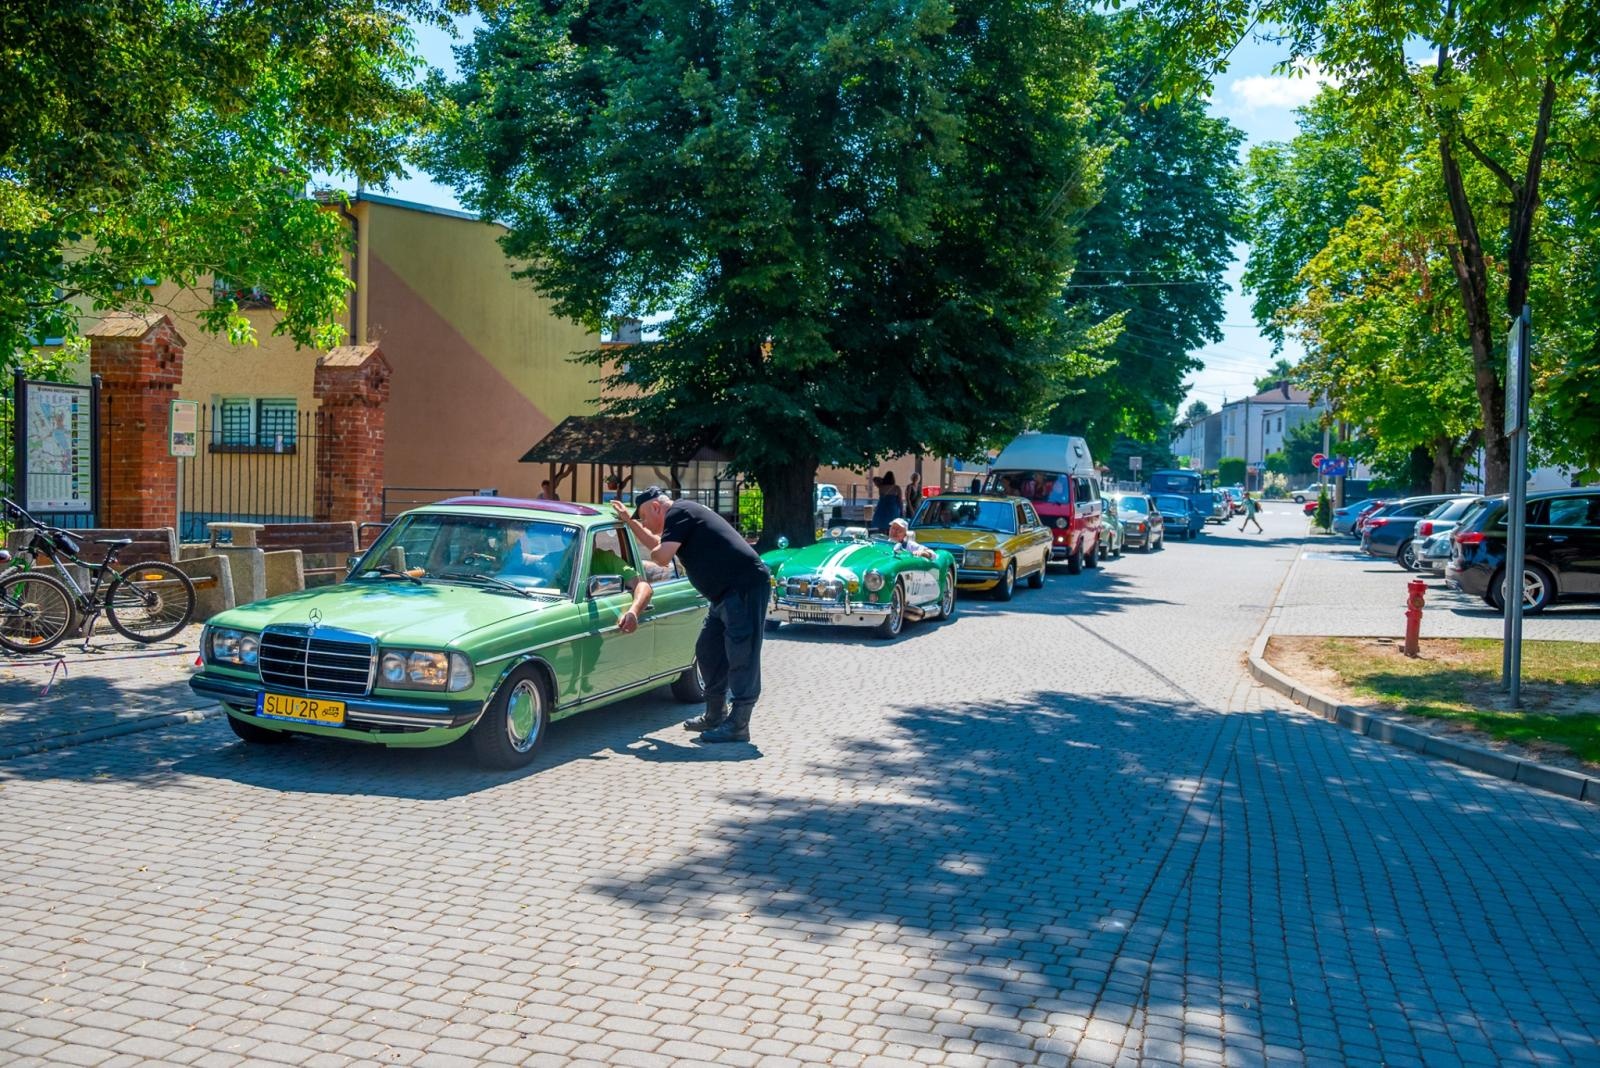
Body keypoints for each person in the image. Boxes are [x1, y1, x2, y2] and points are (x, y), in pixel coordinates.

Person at [611, 487, 770, 743]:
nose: (645, 523)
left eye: (643, 516)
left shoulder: (679, 512)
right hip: (723, 594)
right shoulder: (681, 516)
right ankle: (715, 714)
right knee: (708, 650)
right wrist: (630, 523)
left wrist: (653, 553)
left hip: (743, 588)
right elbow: (657, 542)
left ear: (655, 507)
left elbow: (661, 556)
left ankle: (739, 724)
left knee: (743, 653)